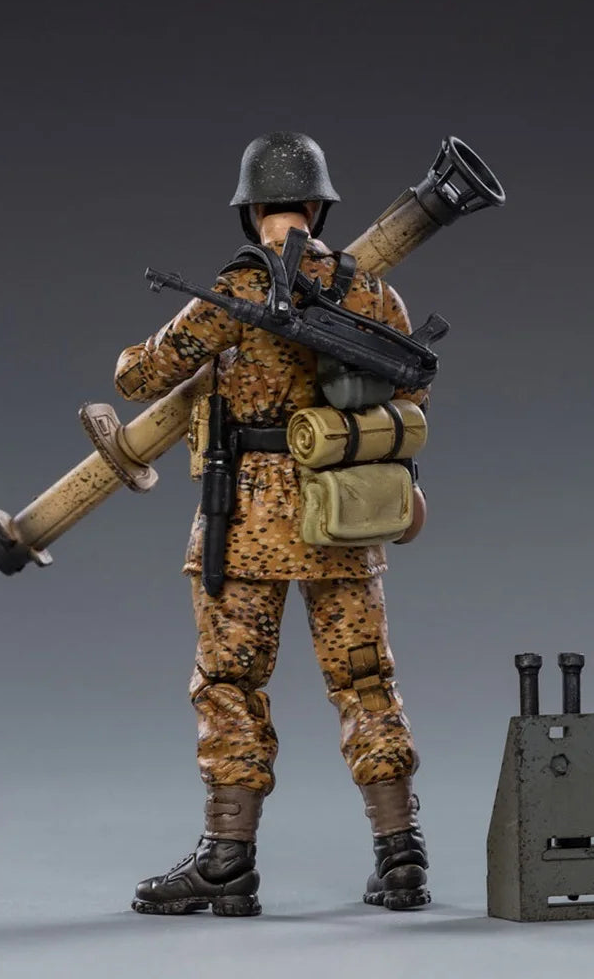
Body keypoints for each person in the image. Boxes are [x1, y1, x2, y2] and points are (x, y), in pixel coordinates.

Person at [115, 132, 431, 917]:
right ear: (319, 205)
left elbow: (140, 376)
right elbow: (410, 400)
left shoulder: (238, 289)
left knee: (229, 683)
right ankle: (402, 856)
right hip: (344, 512)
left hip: (248, 519)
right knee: (364, 679)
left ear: (250, 208)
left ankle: (227, 861)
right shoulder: (373, 291)